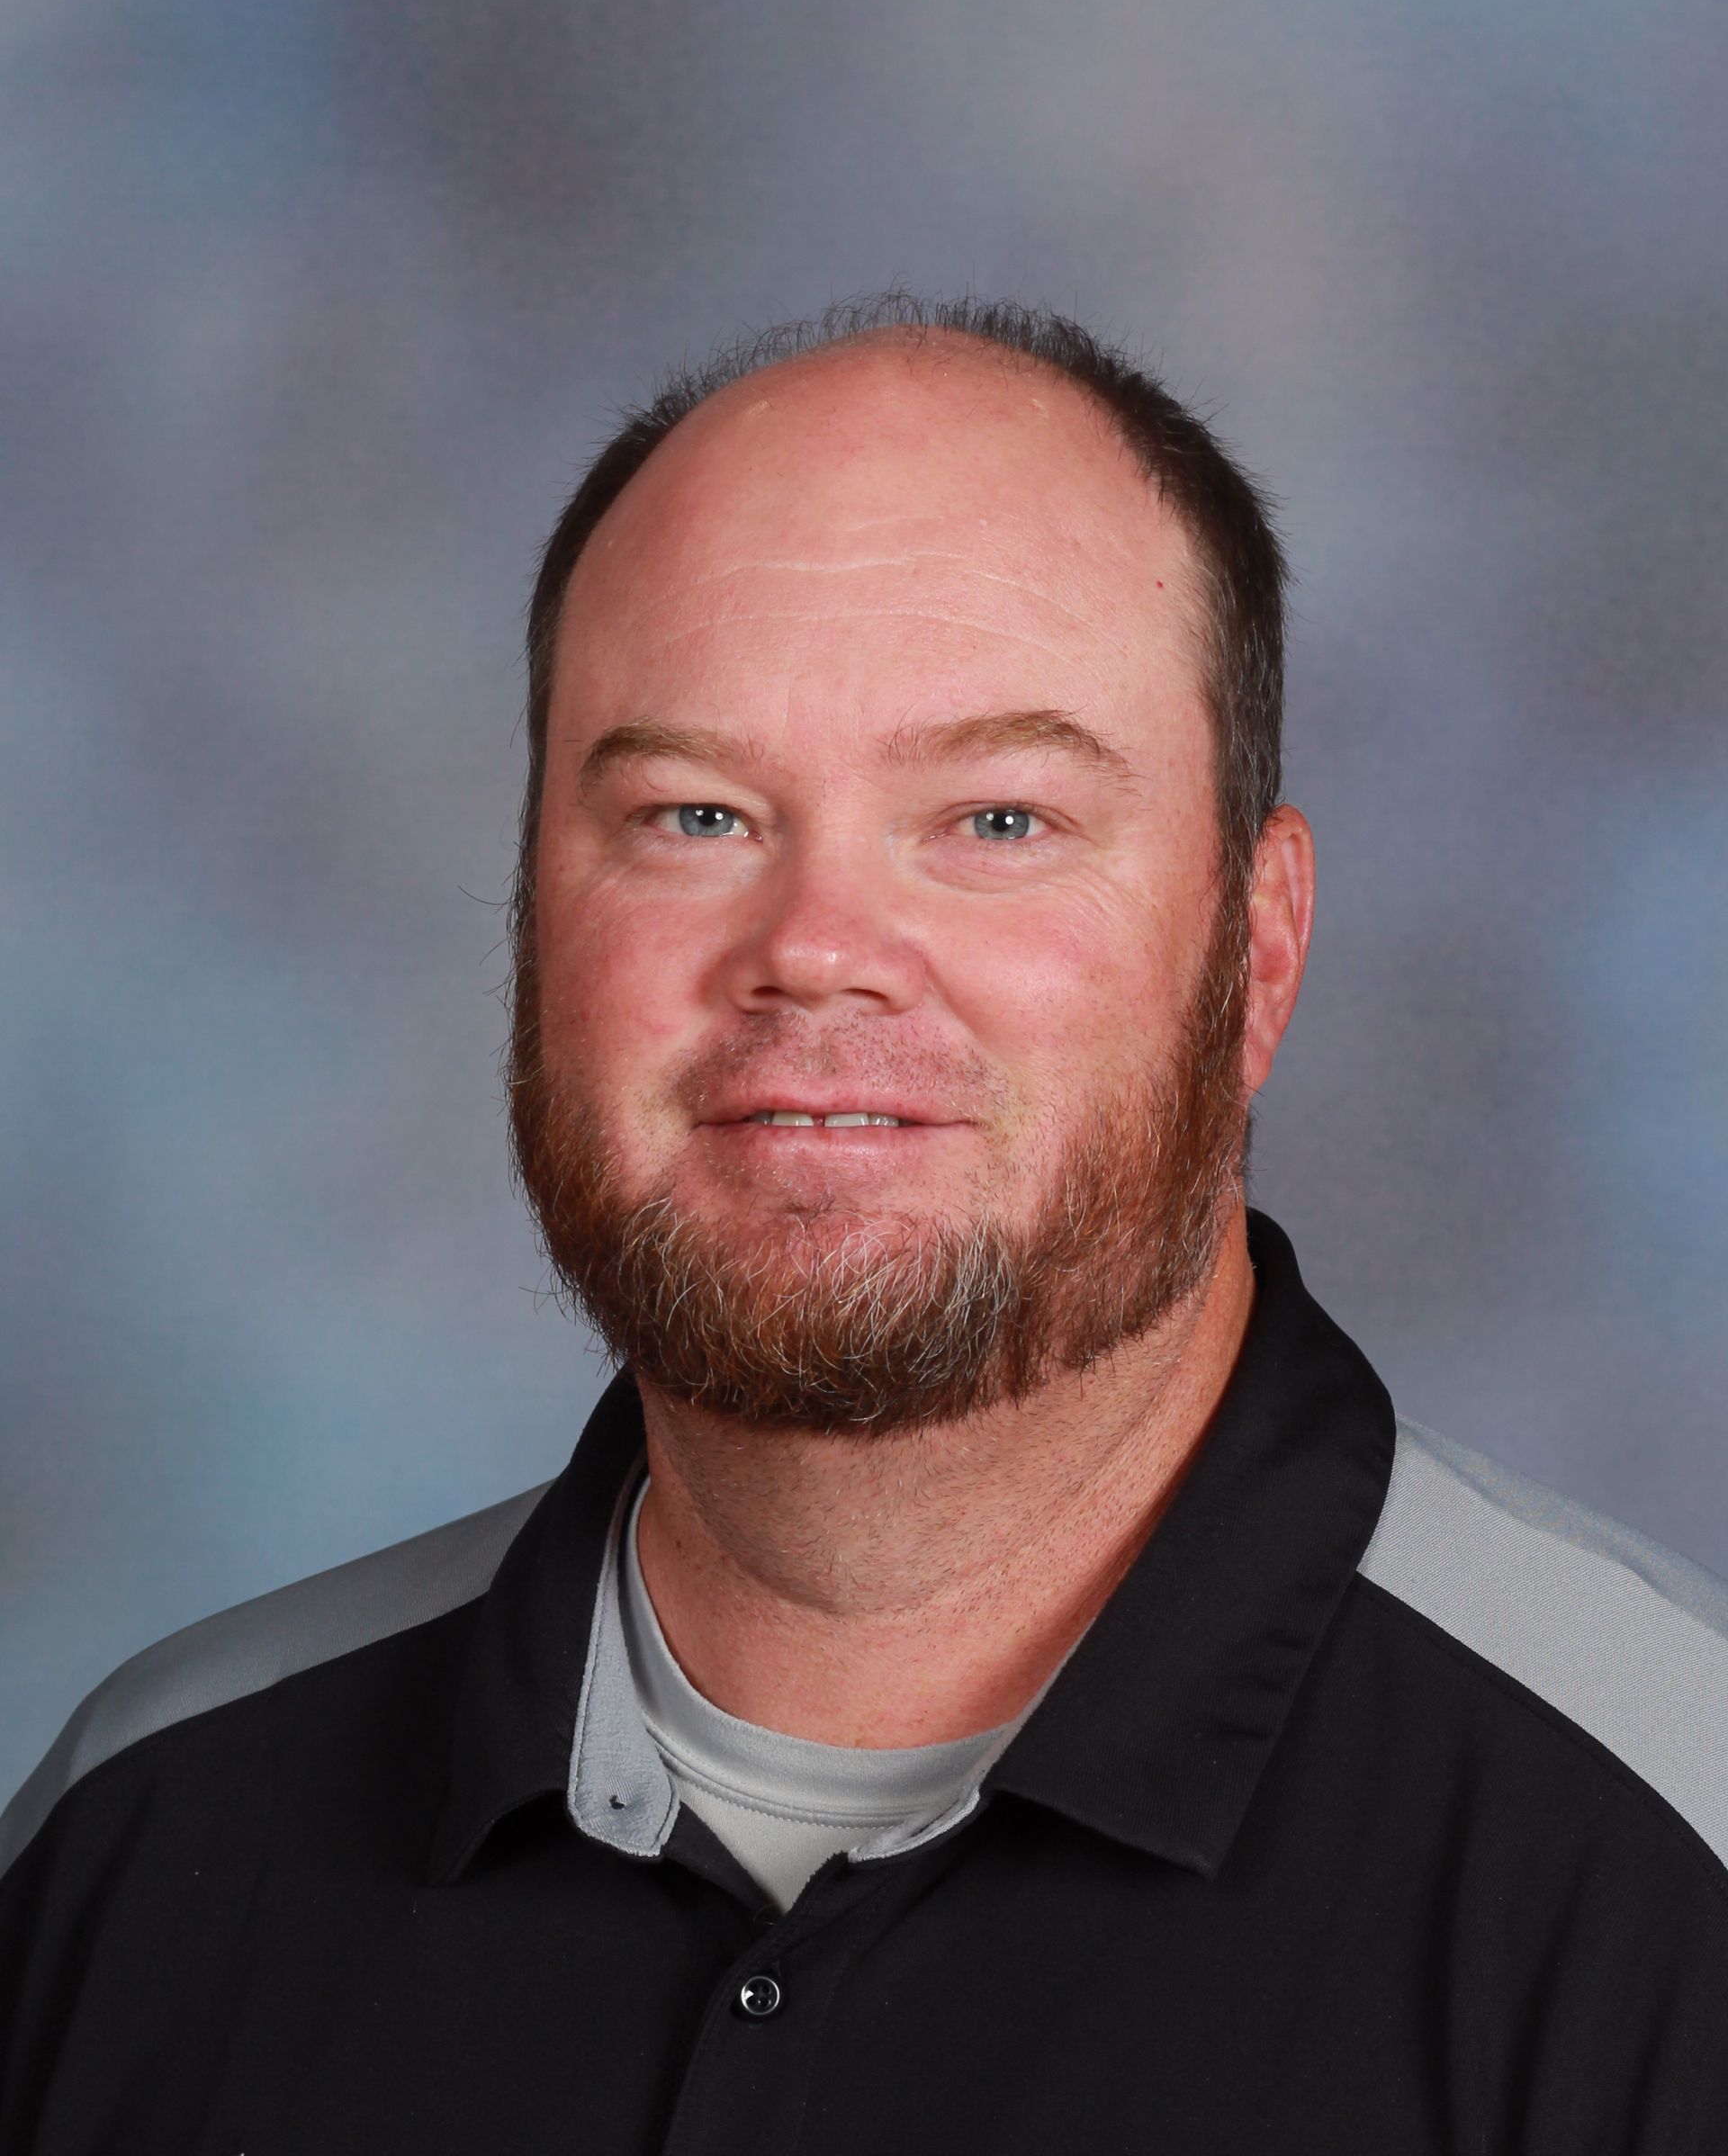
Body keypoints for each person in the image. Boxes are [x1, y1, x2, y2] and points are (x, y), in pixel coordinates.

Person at [3, 294, 1724, 2154]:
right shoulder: (134, 1851)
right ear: (531, 915)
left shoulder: (1670, 1867)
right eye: (695, 816)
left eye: (997, 821)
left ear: (1261, 947)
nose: (816, 950)